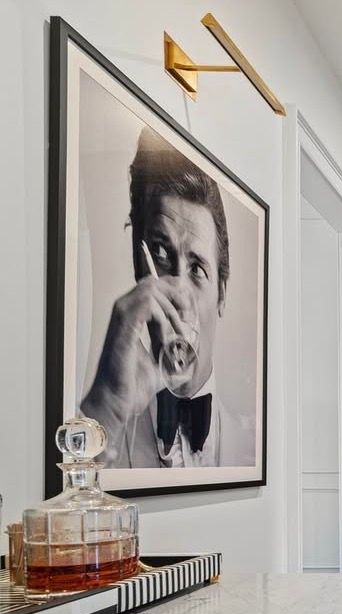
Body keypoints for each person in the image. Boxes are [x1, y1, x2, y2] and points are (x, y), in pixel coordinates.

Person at [81, 127, 253, 468]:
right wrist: (106, 409)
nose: (178, 293)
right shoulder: (99, 434)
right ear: (138, 267)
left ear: (221, 292)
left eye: (197, 268)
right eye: (160, 254)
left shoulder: (250, 447)